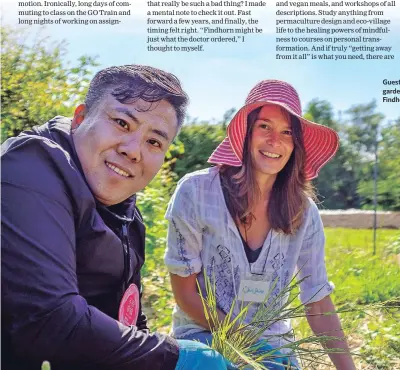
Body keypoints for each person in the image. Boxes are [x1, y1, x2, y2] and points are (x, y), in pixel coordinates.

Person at [1, 65, 233, 370]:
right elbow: (48, 319)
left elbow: (127, 317)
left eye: (154, 142)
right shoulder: (28, 169)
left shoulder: (128, 217)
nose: (133, 150)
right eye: (122, 123)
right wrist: (174, 356)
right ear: (81, 117)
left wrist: (161, 346)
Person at [164, 80, 356, 369]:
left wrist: (347, 368)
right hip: (206, 338)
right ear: (245, 134)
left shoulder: (304, 213)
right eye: (264, 126)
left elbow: (317, 301)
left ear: (295, 145)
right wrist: (245, 346)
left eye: (287, 132)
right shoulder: (197, 193)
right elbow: (185, 293)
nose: (274, 140)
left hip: (273, 347)